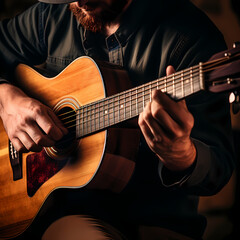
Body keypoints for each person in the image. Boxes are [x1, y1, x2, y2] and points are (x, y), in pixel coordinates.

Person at [0, 0, 235, 239]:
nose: (80, 2)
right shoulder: (52, 15)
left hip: (156, 223)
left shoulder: (191, 36)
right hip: (61, 212)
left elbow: (218, 168)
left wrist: (181, 154)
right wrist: (6, 98)